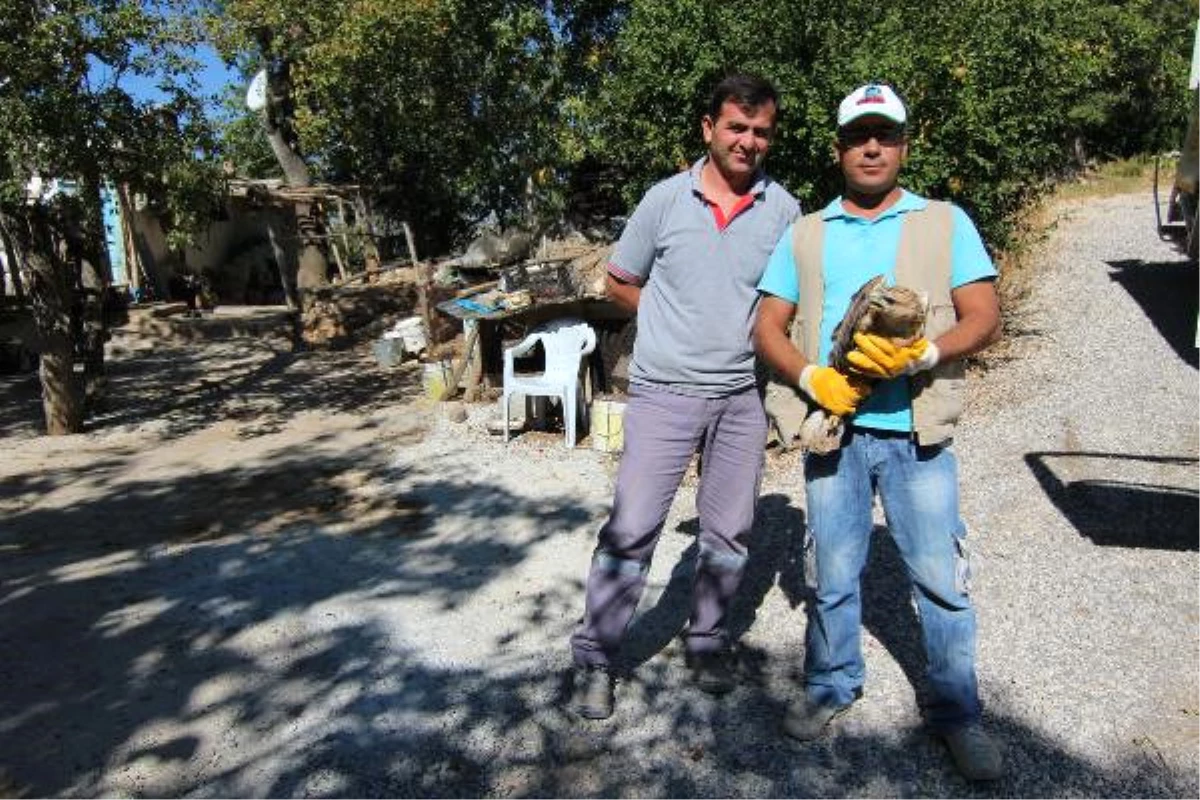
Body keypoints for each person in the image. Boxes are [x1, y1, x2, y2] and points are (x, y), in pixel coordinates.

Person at [753, 83, 1004, 781]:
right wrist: (811, 379)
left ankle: (958, 714)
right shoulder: (807, 233)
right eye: (859, 135)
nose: (871, 147)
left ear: (903, 145)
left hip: (916, 436)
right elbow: (766, 326)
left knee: (940, 582)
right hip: (836, 430)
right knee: (831, 574)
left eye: (884, 135)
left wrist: (927, 353)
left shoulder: (944, 222)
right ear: (839, 149)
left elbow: (983, 313)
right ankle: (832, 683)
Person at [569, 73, 800, 720]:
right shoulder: (665, 201)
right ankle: (595, 657)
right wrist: (668, 320)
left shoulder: (785, 211)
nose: (748, 141)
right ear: (708, 129)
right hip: (665, 393)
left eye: (760, 131)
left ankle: (706, 641)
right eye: (736, 127)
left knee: (729, 533)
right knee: (633, 529)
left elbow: (792, 301)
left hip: (741, 396)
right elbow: (620, 281)